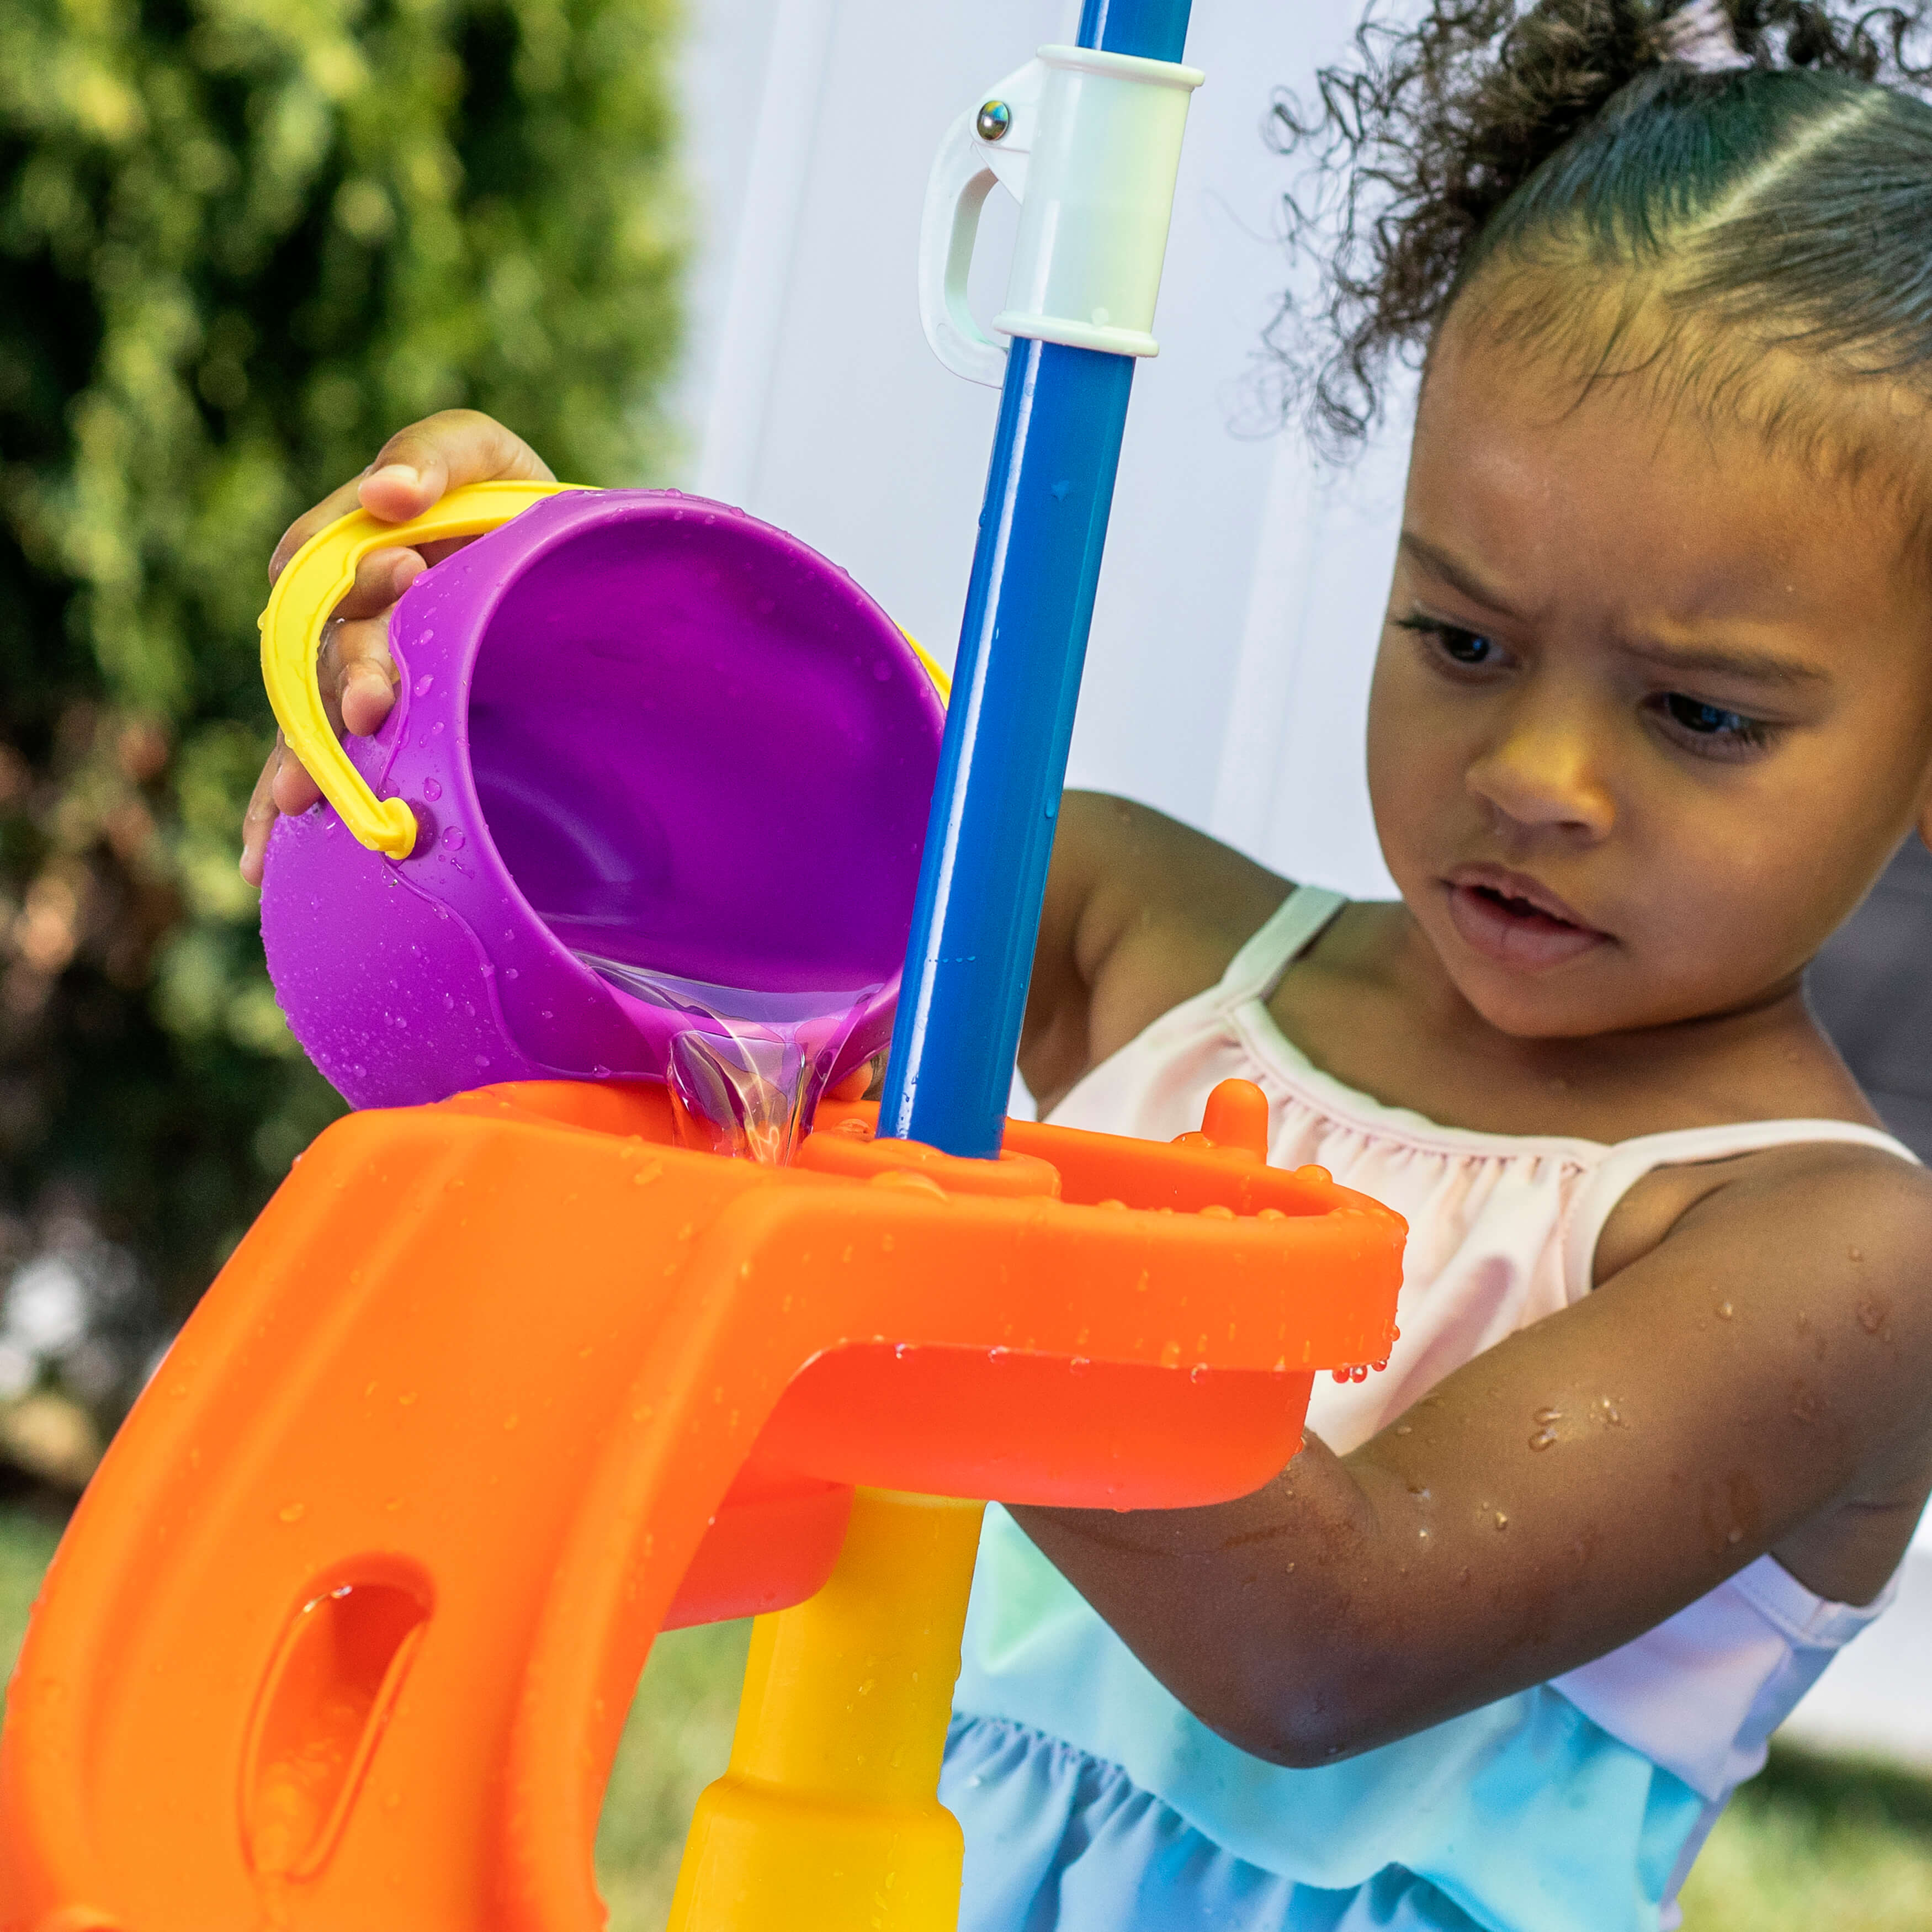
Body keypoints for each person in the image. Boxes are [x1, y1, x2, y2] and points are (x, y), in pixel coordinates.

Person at [240, 2, 1932, 1925]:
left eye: (1701, 716)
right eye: (1460, 639)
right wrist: (476, 683)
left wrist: (927, 1253)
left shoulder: (1829, 1259)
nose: (1537, 776)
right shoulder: (1155, 940)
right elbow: (672, 947)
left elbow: (1327, 1632)